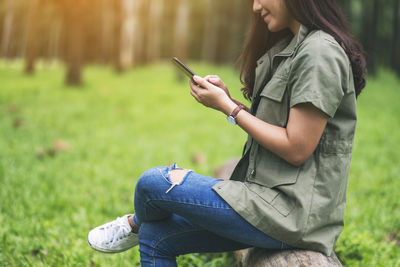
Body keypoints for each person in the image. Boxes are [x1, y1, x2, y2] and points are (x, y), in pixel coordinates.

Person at [87, 0, 366, 266]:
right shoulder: (291, 46)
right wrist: (229, 102)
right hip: (266, 199)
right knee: (157, 238)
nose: (256, 7)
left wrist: (229, 110)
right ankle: (142, 227)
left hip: (292, 213)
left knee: (152, 183)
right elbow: (281, 129)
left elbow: (297, 148)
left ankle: (135, 223)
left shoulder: (319, 52)